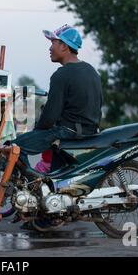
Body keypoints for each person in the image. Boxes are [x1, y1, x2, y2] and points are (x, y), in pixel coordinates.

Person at [11, 24, 103, 174]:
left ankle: (33, 183)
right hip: (90, 131)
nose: (50, 48)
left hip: (68, 132)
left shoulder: (62, 75)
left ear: (64, 46)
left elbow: (49, 116)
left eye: (53, 43)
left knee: (13, 148)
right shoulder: (91, 71)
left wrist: (36, 132)